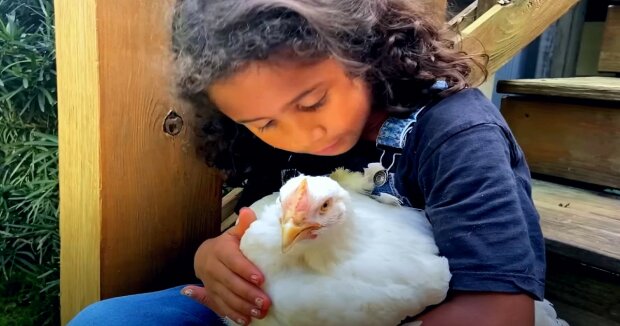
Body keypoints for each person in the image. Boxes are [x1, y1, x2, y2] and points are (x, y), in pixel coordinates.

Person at [70, 0, 545, 325]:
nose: (300, 135)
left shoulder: (456, 134)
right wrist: (213, 257)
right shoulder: (272, 134)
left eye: (313, 102)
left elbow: (499, 311)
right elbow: (258, 228)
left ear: (363, 50)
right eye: (263, 124)